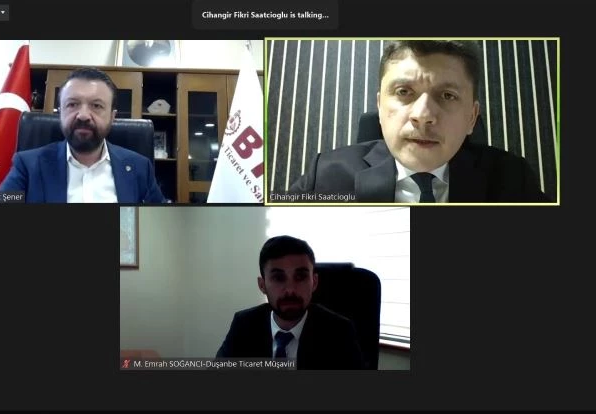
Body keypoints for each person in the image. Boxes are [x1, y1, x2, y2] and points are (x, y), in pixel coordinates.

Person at [289, 40, 550, 203]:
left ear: (472, 117)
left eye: (447, 95)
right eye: (404, 92)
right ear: (380, 107)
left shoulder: (513, 181)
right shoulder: (325, 177)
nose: (423, 115)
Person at [0, 67, 165, 203]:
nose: (83, 115)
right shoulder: (27, 166)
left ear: (112, 116)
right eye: (72, 104)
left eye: (96, 106)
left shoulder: (139, 168)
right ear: (60, 112)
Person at [216, 235, 366, 369]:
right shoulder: (243, 324)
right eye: (278, 278)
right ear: (262, 285)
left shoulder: (339, 332)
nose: (290, 290)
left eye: (300, 277)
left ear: (314, 282)